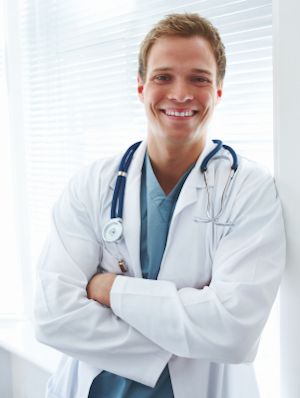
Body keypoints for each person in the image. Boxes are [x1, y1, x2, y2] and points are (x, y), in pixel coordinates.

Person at [34, 13, 285, 398]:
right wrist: (192, 332)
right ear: (140, 87)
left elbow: (235, 331)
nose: (180, 93)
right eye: (163, 76)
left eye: (199, 78)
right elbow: (54, 317)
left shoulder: (248, 189)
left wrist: (110, 289)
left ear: (218, 90)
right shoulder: (91, 185)